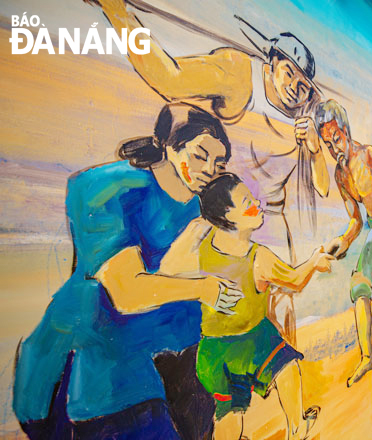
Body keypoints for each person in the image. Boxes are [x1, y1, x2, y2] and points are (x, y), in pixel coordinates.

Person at [90, 0, 330, 345]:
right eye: (289, 72)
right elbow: (168, 78)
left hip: (269, 226)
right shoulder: (238, 75)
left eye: (303, 84)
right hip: (224, 216)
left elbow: (320, 187)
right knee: (222, 318)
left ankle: (279, 393)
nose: (295, 86)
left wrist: (315, 149)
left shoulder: (299, 123)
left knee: (279, 315)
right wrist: (117, 12)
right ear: (271, 62)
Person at [13, 103, 242, 439]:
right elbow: (126, 291)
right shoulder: (111, 189)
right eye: (199, 155)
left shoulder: (200, 206)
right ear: (167, 145)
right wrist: (205, 288)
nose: (210, 169)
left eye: (218, 162)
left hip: (170, 355)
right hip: (88, 368)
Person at [159, 173, 333, 440]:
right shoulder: (258, 257)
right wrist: (314, 261)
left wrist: (197, 227)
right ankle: (297, 429)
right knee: (287, 367)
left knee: (231, 410)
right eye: (247, 201)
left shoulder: (202, 252)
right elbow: (295, 281)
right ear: (228, 216)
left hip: (213, 354)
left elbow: (167, 269)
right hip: (253, 342)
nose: (258, 204)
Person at [315, 100, 372, 387]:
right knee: (359, 287)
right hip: (371, 230)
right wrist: (340, 244)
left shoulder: (368, 154)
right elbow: (355, 220)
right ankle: (368, 356)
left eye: (337, 139)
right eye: (328, 144)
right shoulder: (341, 175)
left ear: (346, 130)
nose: (334, 149)